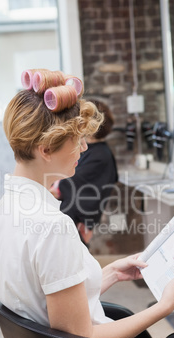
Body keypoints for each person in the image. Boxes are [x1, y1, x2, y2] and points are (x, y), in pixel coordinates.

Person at [0, 69, 174, 338]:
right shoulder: (51, 227)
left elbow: (51, 299)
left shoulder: (5, 209)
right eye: (78, 140)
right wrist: (164, 306)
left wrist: (111, 272)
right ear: (46, 149)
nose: (85, 147)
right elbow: (80, 337)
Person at [51, 99, 118, 245]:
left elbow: (69, 184)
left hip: (76, 218)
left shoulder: (100, 156)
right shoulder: (93, 151)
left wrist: (51, 187)